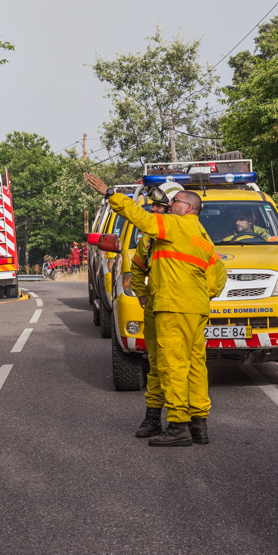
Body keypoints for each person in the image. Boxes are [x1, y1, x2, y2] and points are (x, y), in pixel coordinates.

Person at [86, 173, 227, 446]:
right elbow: (218, 273)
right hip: (194, 308)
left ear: (187, 207)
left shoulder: (175, 225)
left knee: (171, 365)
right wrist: (199, 294)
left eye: (174, 202)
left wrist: (110, 194)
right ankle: (199, 424)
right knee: (195, 365)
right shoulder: (201, 235)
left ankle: (178, 426)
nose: (168, 206)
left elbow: (140, 218)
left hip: (173, 306)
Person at [126, 185, 179, 438]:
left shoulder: (192, 234)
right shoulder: (148, 238)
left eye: (158, 206)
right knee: (156, 366)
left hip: (184, 311)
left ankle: (186, 421)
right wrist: (142, 292)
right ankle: (153, 419)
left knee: (182, 367)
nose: (154, 210)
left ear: (173, 207)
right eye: (152, 206)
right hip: (157, 309)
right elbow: (137, 268)